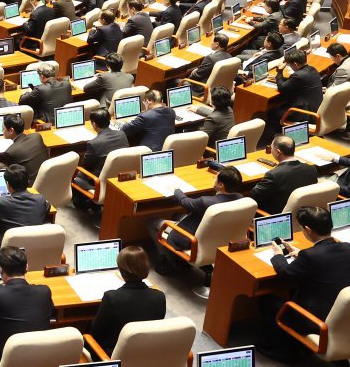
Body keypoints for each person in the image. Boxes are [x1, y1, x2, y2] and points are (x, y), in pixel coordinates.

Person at [258, 206, 350, 359]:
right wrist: (301, 253)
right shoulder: (347, 247)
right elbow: (325, 262)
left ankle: (283, 352)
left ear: (307, 230)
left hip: (317, 321)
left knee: (267, 301)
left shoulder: (310, 256)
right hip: (343, 316)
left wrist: (278, 255)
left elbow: (285, 274)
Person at [0, 246, 53, 364]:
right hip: (40, 358)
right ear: (27, 267)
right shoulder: (44, 291)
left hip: (3, 360)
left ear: (0, 269)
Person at [150, 167, 242, 269]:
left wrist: (176, 189)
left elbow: (184, 201)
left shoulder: (206, 202)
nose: (214, 177)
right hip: (221, 238)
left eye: (216, 177)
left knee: (152, 222)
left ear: (221, 185)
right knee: (177, 215)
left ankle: (170, 261)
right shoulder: (241, 199)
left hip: (191, 240)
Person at [87, 246, 166, 354]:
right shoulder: (159, 297)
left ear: (122, 271)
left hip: (112, 356)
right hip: (145, 354)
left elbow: (95, 334)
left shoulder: (112, 298)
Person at [0, 164, 51, 249]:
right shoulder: (40, 200)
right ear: (27, 182)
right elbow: (47, 208)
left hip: (5, 252)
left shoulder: (2, 202)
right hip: (32, 249)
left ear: (8, 185)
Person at [248, 135, 319, 214]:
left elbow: (253, 197)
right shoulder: (311, 169)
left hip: (274, 215)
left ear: (278, 152)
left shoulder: (273, 175)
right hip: (302, 213)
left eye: (271, 148)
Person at [269, 48, 323, 132]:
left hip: (304, 112)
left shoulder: (298, 75)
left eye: (289, 65)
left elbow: (282, 88)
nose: (289, 67)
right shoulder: (312, 69)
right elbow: (298, 81)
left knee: (272, 112)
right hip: (315, 107)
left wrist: (279, 72)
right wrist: (280, 78)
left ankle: (279, 135)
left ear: (295, 64)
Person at [77, 109, 128, 180]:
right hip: (119, 176)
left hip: (99, 180)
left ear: (94, 124)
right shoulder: (122, 134)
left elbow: (86, 167)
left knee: (76, 176)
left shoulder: (93, 143)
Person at [2, 111, 49, 179]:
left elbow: (11, 174)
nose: (2, 131)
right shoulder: (37, 136)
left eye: (3, 128)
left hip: (30, 185)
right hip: (47, 178)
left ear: (11, 131)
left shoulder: (10, 152)